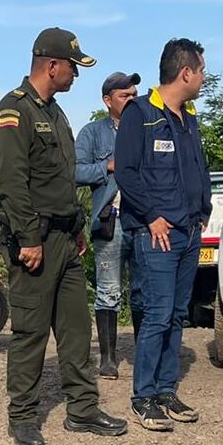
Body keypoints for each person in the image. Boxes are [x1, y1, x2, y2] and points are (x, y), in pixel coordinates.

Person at [0, 27, 128, 445]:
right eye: (72, 66)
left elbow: (62, 181)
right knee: (31, 332)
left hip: (67, 240)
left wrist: (76, 230)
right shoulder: (15, 112)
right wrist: (29, 239)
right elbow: (13, 183)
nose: (75, 74)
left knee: (74, 328)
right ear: (52, 66)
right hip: (37, 241)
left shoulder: (55, 112)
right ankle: (23, 418)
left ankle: (83, 409)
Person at [115, 38, 211, 432]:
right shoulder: (141, 113)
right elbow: (127, 172)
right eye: (202, 70)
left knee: (175, 315)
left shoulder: (188, 118)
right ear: (185, 72)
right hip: (158, 234)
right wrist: (152, 216)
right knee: (156, 314)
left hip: (189, 232)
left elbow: (196, 169)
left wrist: (202, 211)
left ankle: (166, 391)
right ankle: (143, 397)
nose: (204, 77)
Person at [76, 71, 142, 380]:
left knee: (144, 292)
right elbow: (74, 171)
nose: (131, 100)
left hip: (144, 222)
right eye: (124, 95)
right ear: (107, 100)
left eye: (133, 94)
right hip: (110, 221)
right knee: (109, 291)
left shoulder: (148, 128)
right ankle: (108, 359)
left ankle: (145, 354)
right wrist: (108, 166)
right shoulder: (92, 133)